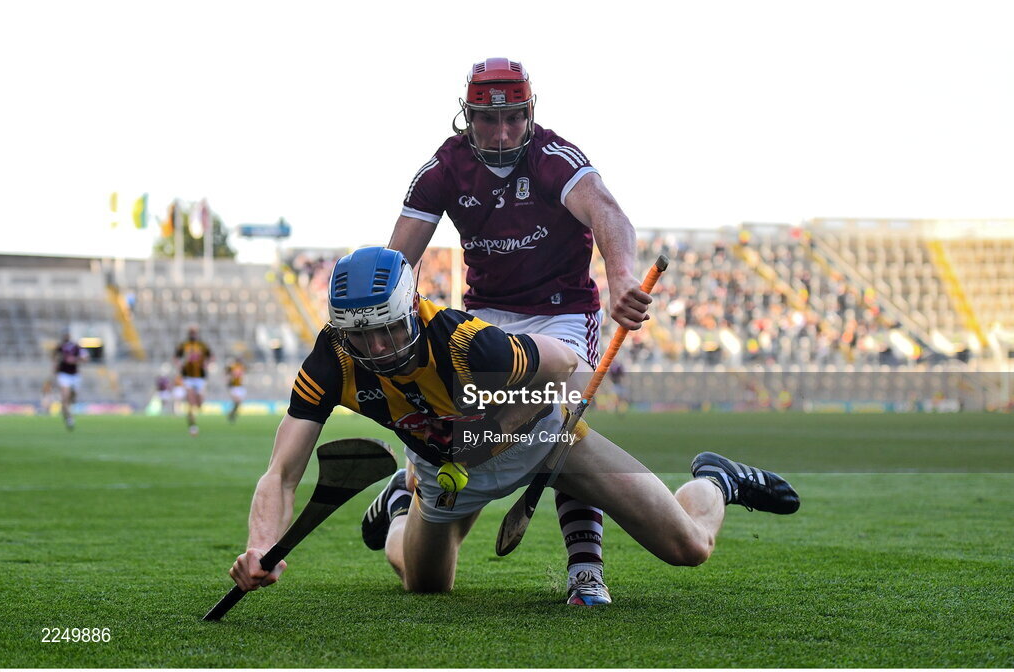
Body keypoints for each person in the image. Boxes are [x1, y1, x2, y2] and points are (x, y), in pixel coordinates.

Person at [227, 248, 799, 607]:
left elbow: (566, 363)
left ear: (411, 309)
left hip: (542, 442)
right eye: (360, 334)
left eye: (388, 330)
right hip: (445, 467)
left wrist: (509, 417)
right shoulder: (330, 361)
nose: (376, 348)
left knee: (689, 547)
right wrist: (258, 546)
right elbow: (282, 472)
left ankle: (716, 480)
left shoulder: (468, 343)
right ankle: (403, 503)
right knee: (425, 586)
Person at [387, 57, 654, 604]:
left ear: (531, 114)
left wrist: (623, 275)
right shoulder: (444, 167)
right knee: (461, 464)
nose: (503, 133)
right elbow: (396, 260)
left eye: (514, 118)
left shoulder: (554, 158)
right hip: (485, 322)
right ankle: (407, 493)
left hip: (561, 315)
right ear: (468, 118)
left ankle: (585, 568)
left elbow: (608, 213)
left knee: (559, 418)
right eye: (488, 119)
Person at [173, 325, 212, 436]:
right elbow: (176, 357)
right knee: (190, 401)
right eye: (191, 332)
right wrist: (179, 365)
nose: (193, 334)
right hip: (188, 377)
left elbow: (210, 356)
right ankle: (192, 426)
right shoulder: (184, 345)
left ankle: (194, 413)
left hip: (200, 377)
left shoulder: (202, 345)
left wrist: (207, 364)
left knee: (199, 402)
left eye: (194, 332)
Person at [53, 329, 87, 430]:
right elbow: (54, 358)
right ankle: (69, 418)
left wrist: (75, 360)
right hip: (64, 374)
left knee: (73, 398)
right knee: (65, 397)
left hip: (74, 375)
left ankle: (66, 410)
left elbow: (85, 358)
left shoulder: (76, 347)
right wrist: (55, 367)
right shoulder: (60, 347)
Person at [226, 357, 247, 422]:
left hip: (240, 386)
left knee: (238, 403)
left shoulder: (242, 367)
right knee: (236, 400)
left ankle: (232, 413)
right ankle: (232, 413)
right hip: (234, 386)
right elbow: (227, 373)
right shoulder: (232, 367)